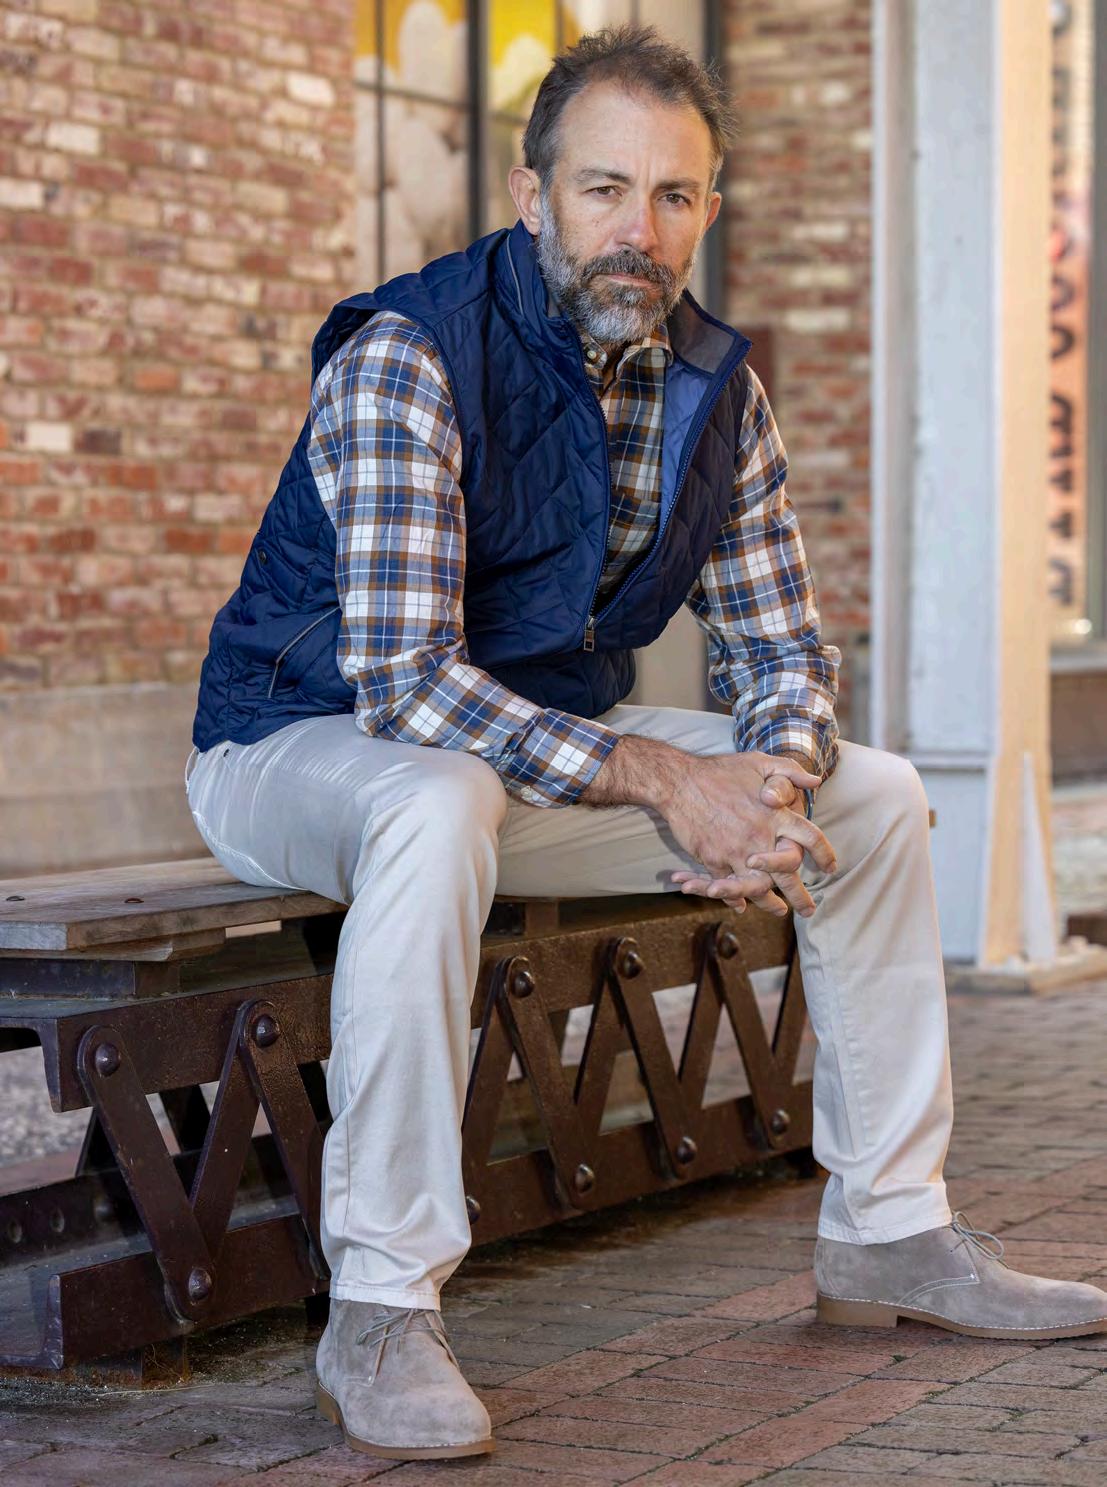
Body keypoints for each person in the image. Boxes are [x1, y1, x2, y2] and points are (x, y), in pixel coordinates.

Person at [183, 24, 1107, 1464]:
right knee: (434, 797)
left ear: (709, 210)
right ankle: (381, 1305)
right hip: (296, 745)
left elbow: (782, 651)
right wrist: (673, 782)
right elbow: (409, 689)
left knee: (873, 796)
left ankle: (891, 1229)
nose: (640, 228)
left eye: (674, 196)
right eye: (605, 188)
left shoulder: (715, 391)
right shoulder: (409, 355)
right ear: (532, 194)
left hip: (524, 758)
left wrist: (770, 789)